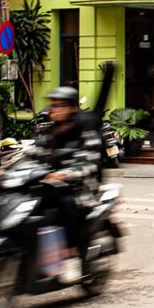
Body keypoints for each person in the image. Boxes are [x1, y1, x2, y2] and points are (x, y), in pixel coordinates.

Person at [34, 86, 104, 282]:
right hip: (50, 185)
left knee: (66, 204)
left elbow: (89, 163)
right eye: (52, 105)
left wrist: (66, 174)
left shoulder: (85, 130)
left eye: (59, 106)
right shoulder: (48, 131)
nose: (54, 110)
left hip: (81, 188)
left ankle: (72, 256)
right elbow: (34, 154)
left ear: (72, 108)